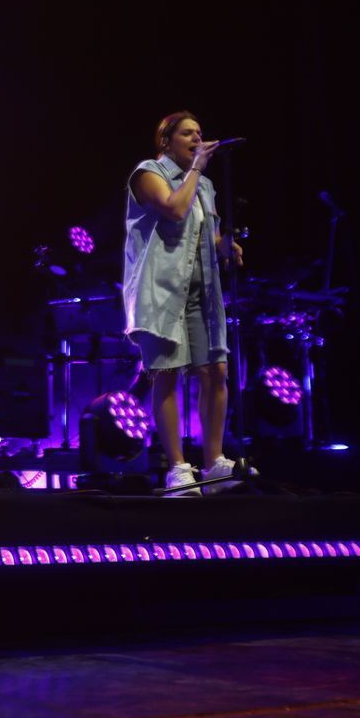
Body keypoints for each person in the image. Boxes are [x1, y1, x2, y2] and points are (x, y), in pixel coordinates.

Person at [122, 110, 245, 496]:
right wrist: (195, 169)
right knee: (168, 373)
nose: (197, 139)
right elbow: (174, 210)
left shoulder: (205, 186)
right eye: (187, 133)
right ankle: (177, 467)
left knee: (216, 372)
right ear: (166, 141)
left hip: (202, 293)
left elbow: (205, 236)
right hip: (160, 291)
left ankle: (213, 464)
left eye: (200, 133)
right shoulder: (148, 173)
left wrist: (226, 246)